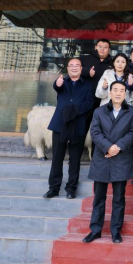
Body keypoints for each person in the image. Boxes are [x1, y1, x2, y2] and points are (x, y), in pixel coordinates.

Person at [83, 82, 133, 244]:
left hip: (121, 159)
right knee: (99, 198)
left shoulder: (132, 112)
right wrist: (108, 147)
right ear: (110, 93)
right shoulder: (99, 111)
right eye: (115, 90)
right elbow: (95, 132)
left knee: (119, 198)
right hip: (102, 158)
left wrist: (117, 147)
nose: (118, 93)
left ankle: (116, 231)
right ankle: (95, 230)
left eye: (122, 90)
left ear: (125, 94)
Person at [44, 58, 94, 200]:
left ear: (81, 68)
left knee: (75, 159)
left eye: (77, 65)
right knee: (57, 157)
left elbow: (89, 103)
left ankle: (71, 189)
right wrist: (57, 83)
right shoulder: (62, 82)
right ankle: (53, 188)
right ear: (67, 68)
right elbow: (57, 86)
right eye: (71, 65)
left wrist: (74, 111)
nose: (74, 67)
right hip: (60, 124)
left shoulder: (88, 85)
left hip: (78, 124)